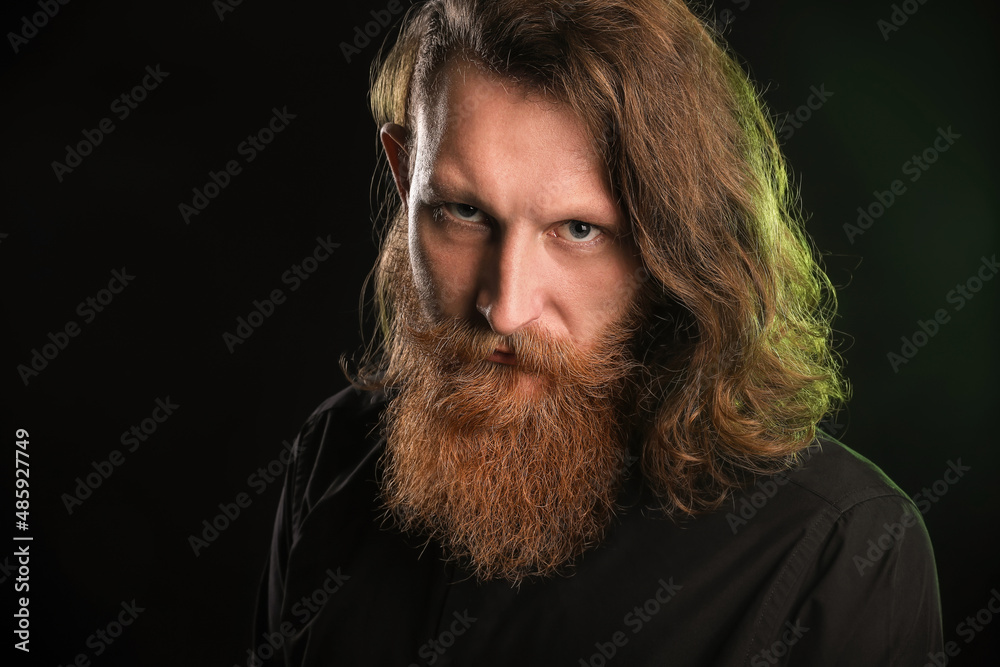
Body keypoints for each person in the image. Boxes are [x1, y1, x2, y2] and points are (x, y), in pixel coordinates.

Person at [254, 1, 943, 664]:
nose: (505, 307)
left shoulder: (838, 550)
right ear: (405, 181)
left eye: (579, 230)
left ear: (672, 243)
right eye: (462, 211)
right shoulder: (333, 458)